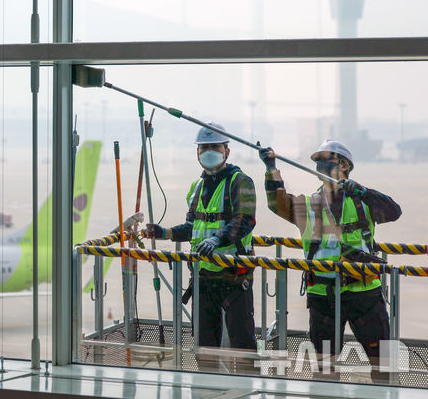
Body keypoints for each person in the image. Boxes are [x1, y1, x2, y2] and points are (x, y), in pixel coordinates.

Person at [259, 140, 401, 382]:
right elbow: (276, 204)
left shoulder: (363, 202)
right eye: (316, 161)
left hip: (364, 293)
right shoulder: (308, 205)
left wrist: (363, 191)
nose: (319, 164)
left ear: (345, 164)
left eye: (325, 159)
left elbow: (394, 211)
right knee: (326, 368)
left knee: (384, 364)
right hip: (323, 296)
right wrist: (271, 168)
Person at [145, 121, 258, 359]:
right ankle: (207, 391)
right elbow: (193, 227)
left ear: (227, 151)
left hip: (234, 277)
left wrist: (217, 240)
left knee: (242, 344)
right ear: (197, 152)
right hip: (203, 277)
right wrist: (164, 233)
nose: (208, 152)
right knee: (204, 347)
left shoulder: (240, 182)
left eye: (214, 147)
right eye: (203, 147)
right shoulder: (196, 187)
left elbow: (244, 220)